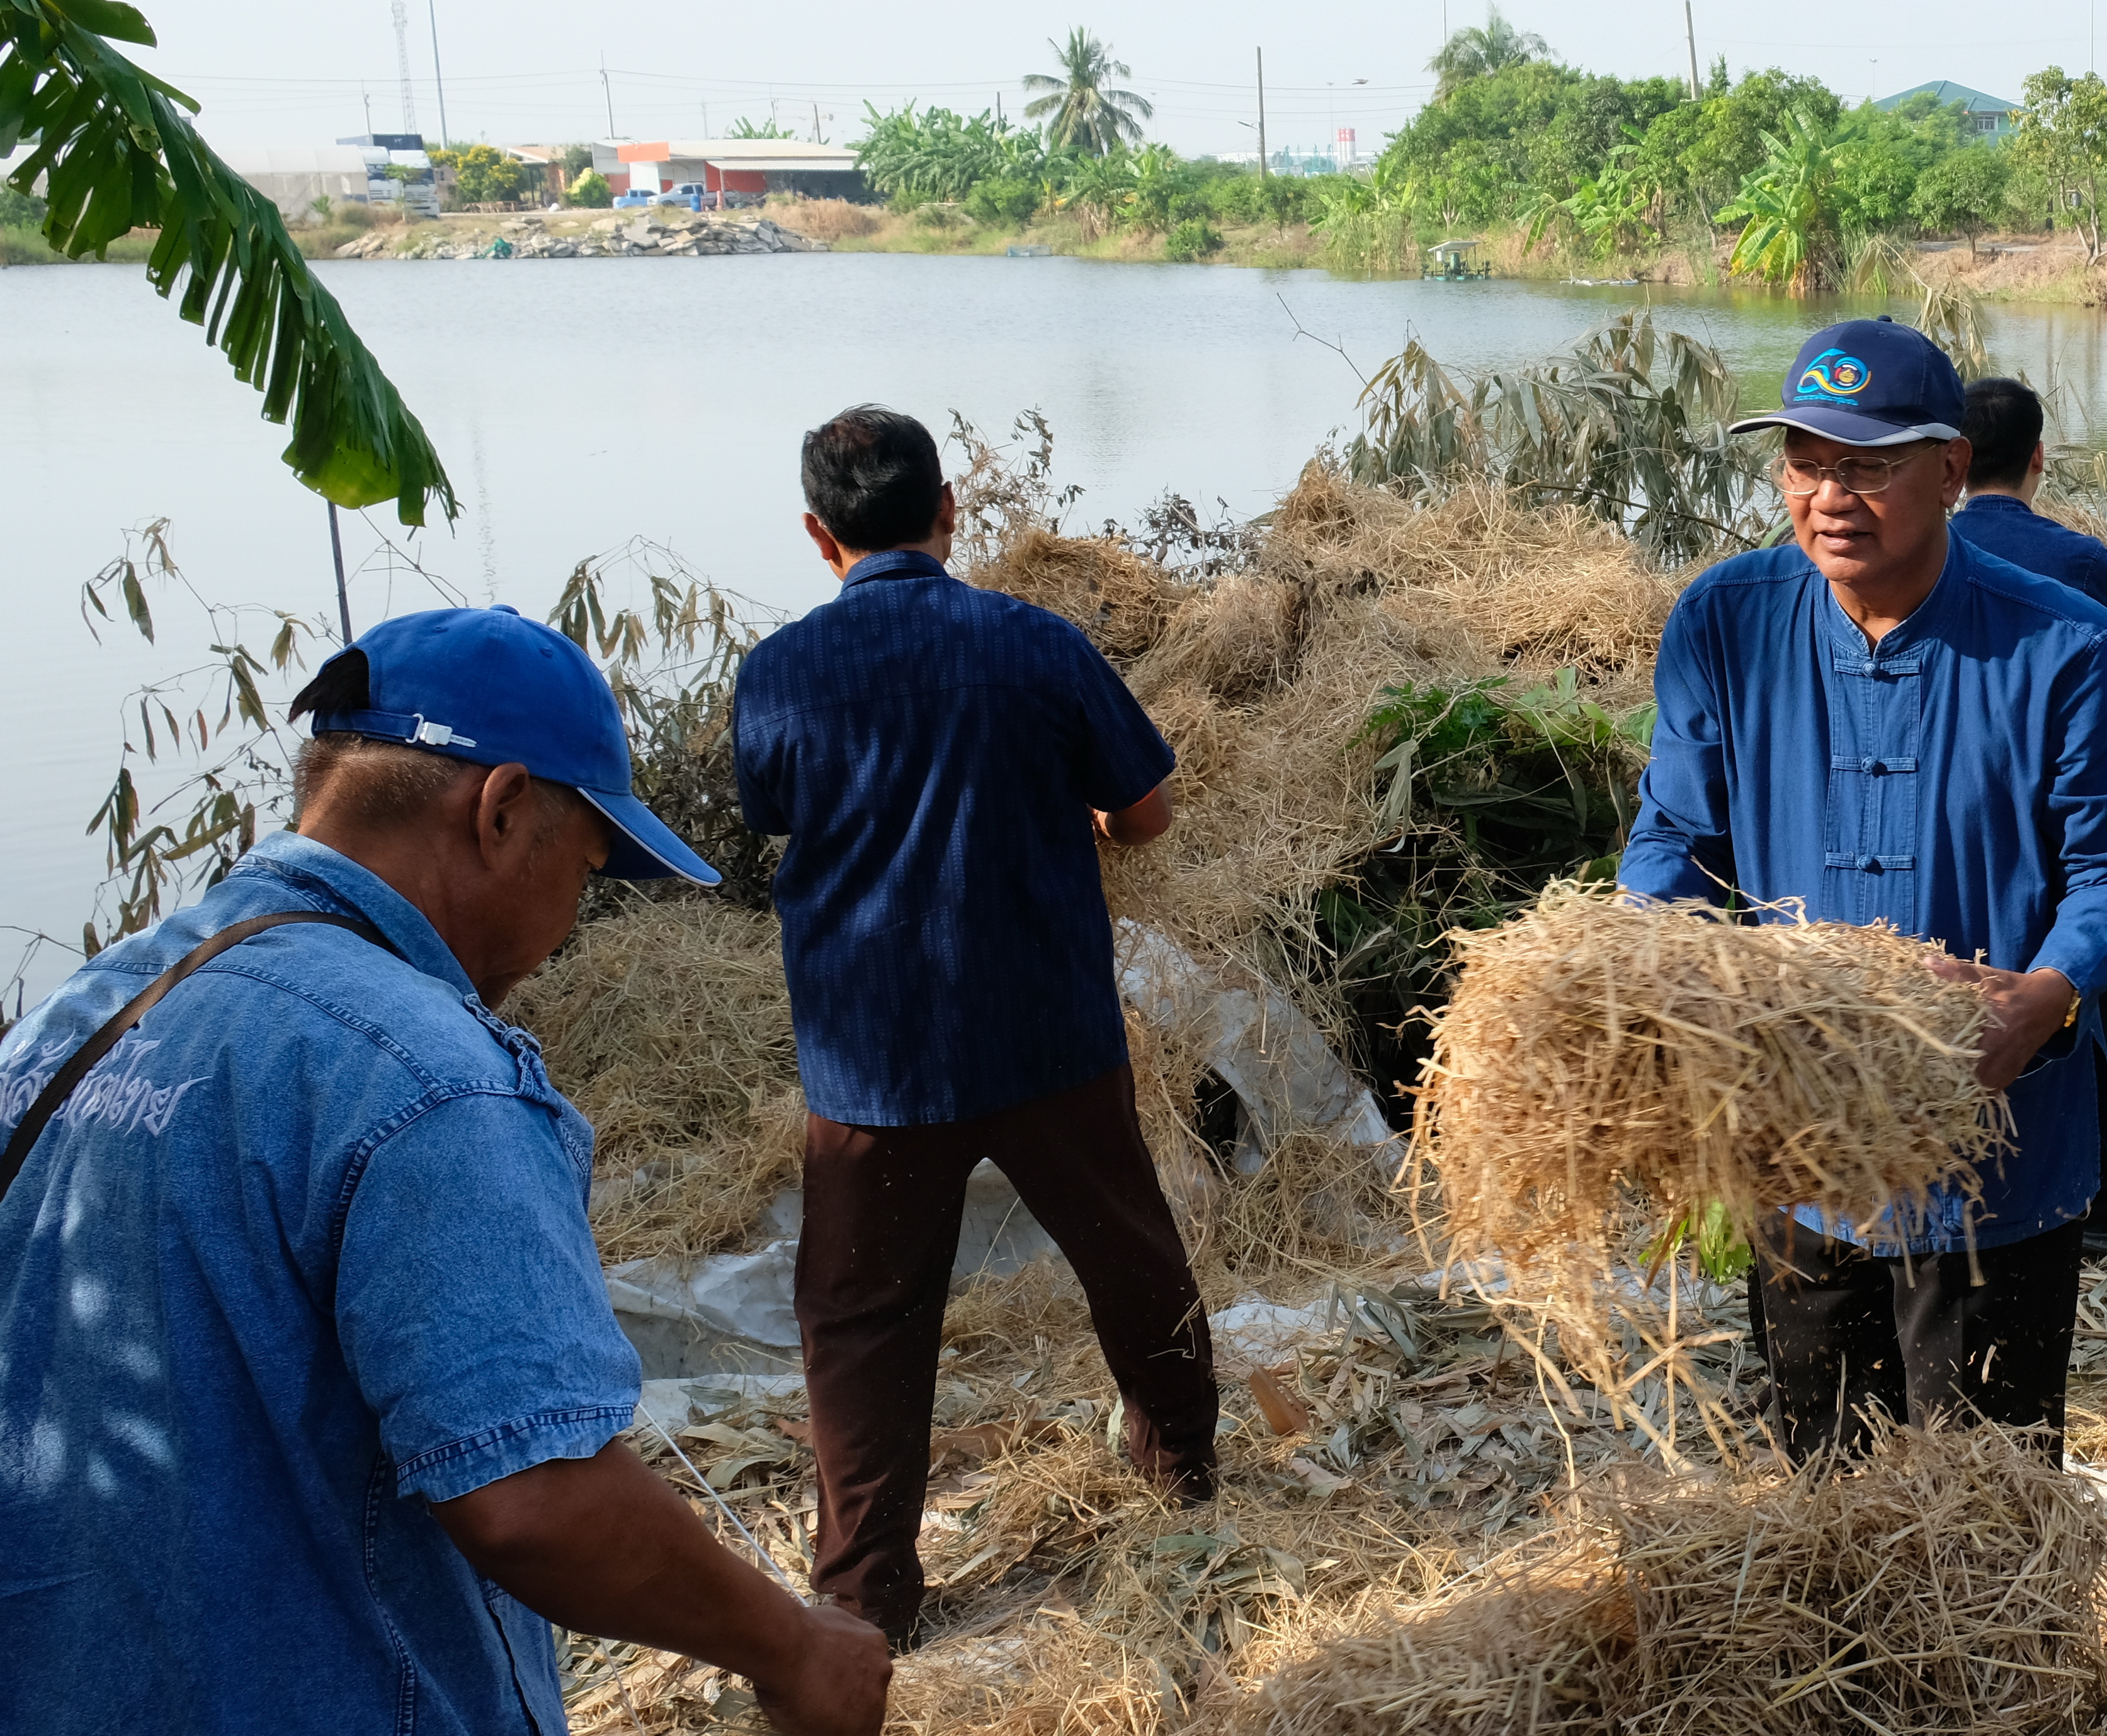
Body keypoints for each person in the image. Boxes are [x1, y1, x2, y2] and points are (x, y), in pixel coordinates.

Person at [0, 607, 890, 1735]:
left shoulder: (84, 1012)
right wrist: (793, 1646)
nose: (572, 920)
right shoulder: (427, 1079)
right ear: (502, 807)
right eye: (588, 866)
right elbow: (532, 1499)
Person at [1621, 320, 2107, 1462]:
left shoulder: (2068, 649)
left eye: (1870, 465)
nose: (1832, 495)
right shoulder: (1725, 625)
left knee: (1983, 1513)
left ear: (1954, 469)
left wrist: (2044, 996)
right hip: (1797, 1140)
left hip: (1992, 1152)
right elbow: (1677, 833)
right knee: (1825, 1480)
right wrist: (1640, 965)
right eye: (1806, 462)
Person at [732, 404, 1218, 1647]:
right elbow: (1149, 813)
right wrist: (1090, 819)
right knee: (1130, 1256)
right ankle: (1183, 1490)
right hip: (1044, 1031)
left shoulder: (779, 674)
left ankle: (868, 1597)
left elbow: (780, 813)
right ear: (951, 513)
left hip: (871, 1062)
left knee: (862, 1321)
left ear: (815, 534)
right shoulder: (1037, 646)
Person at [1950, 375, 2107, 1256]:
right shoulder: (2078, 564)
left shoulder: (1923, 555)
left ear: (1949, 462)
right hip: (2068, 825)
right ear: (2039, 458)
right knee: (2084, 1002)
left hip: (1971, 831)